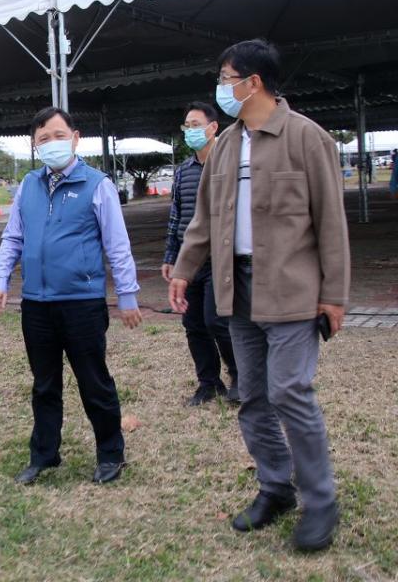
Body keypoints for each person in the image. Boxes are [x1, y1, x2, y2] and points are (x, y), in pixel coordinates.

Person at [168, 39, 350, 552]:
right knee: (253, 397)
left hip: (293, 289)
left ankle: (321, 501)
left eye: (227, 78)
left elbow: (331, 225)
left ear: (254, 82)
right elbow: (205, 221)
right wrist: (185, 270)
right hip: (237, 287)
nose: (222, 88)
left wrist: (333, 296)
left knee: (290, 391)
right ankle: (276, 488)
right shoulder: (225, 145)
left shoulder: (307, 139)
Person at [0, 107, 142, 486]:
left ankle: (110, 454)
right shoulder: (28, 185)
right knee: (44, 384)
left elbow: (117, 245)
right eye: (44, 139)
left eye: (59, 136)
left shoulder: (97, 185)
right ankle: (44, 453)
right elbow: (13, 237)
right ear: (35, 145)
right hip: (37, 304)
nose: (52, 144)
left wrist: (127, 295)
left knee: (94, 382)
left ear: (76, 137)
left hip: (81, 303)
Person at [162, 102, 239, 406]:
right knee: (193, 324)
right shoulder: (183, 171)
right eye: (187, 126)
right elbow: (176, 215)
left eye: (196, 125)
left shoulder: (229, 165)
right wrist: (171, 255)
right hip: (187, 259)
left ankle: (240, 376)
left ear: (213, 127)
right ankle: (209, 383)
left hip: (219, 258)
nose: (190, 131)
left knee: (216, 320)